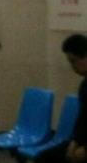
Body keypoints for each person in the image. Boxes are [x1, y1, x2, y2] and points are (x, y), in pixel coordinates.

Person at [37, 34, 87, 163]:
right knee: (44, 158)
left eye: (73, 61)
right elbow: (83, 120)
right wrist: (75, 142)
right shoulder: (85, 85)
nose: (72, 67)